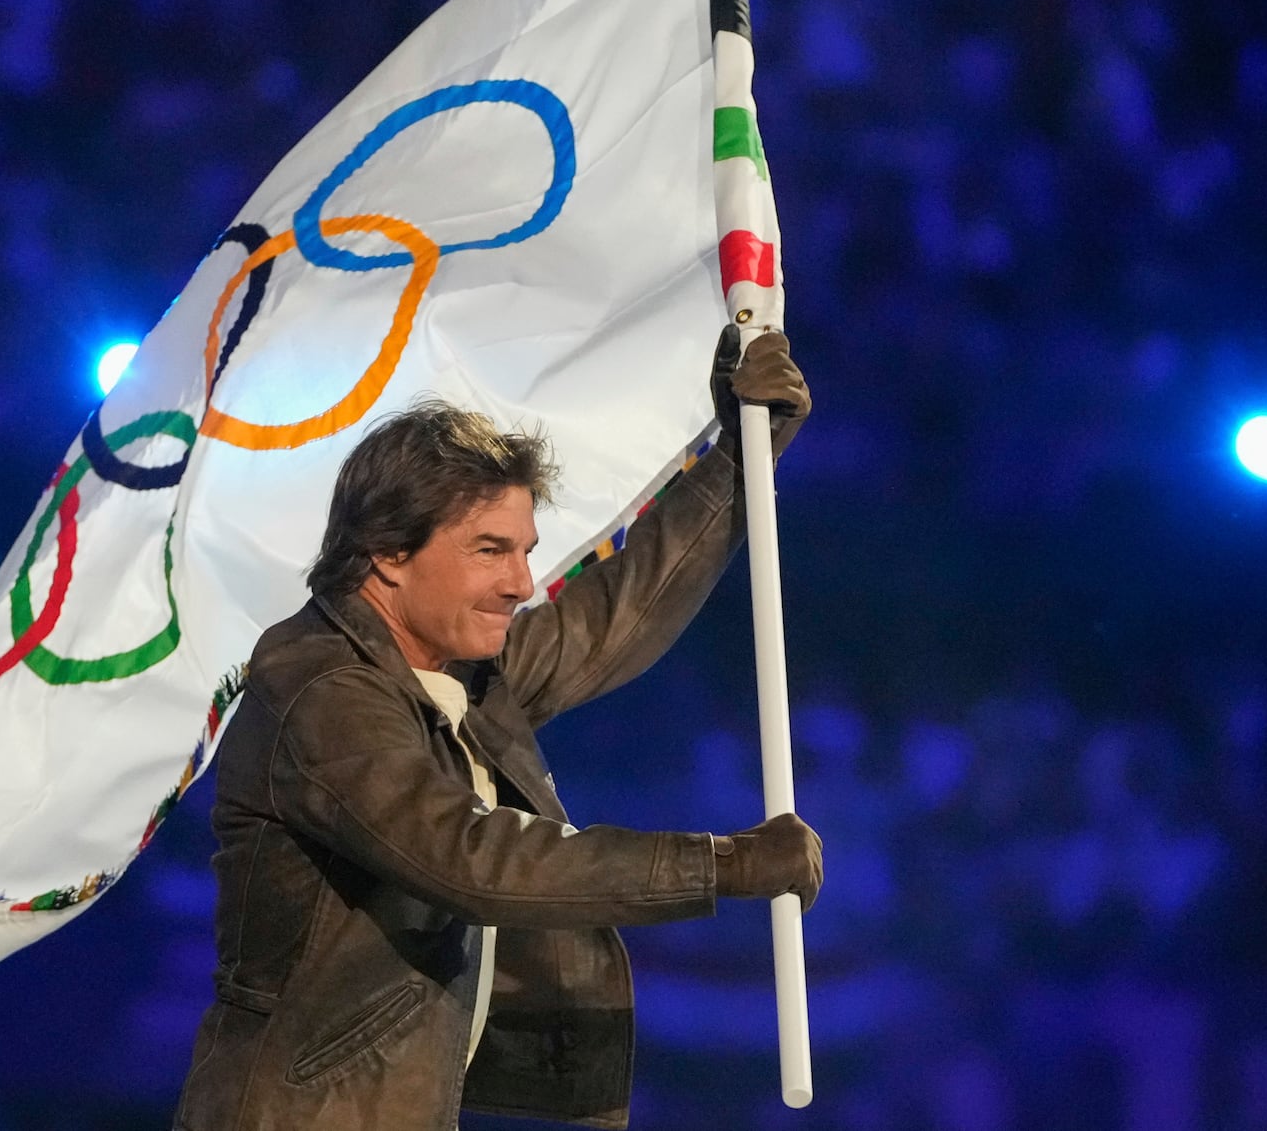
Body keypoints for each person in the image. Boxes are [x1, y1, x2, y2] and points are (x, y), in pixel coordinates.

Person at [172, 330, 823, 1130]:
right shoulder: (320, 687)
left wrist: (739, 460)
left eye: (524, 551)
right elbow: (469, 857)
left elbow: (614, 615)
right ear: (387, 553)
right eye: (490, 551)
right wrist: (722, 864)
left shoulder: (454, 664)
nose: (520, 582)